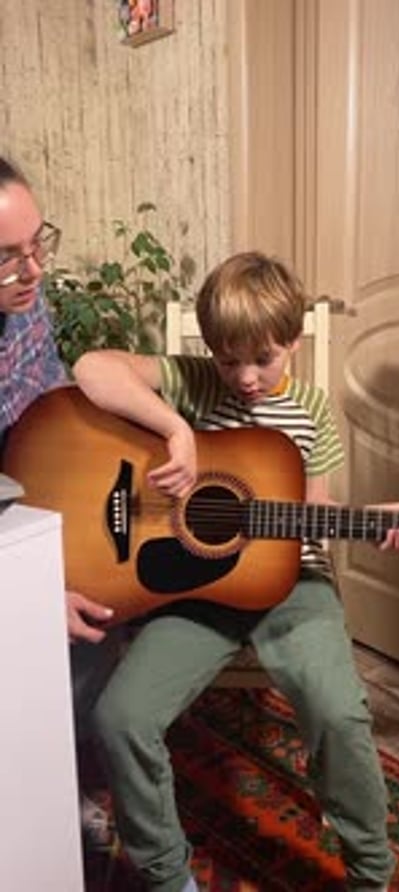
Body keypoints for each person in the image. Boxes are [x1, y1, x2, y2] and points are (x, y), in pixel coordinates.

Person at [74, 250, 399, 892]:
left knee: (339, 714)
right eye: (226, 358)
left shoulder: (312, 411)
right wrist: (176, 430)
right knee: (120, 716)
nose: (243, 377)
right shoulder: (193, 383)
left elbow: (314, 513)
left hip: (294, 585)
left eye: (262, 358)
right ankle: (167, 876)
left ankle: (371, 875)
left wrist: (371, 522)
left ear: (293, 341)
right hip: (198, 589)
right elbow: (91, 369)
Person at [0, 156, 123, 843]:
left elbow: (51, 394)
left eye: (37, 244)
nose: (33, 271)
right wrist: (31, 592)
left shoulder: (27, 299)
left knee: (110, 598)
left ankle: (55, 765)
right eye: (7, 258)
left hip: (32, 501)